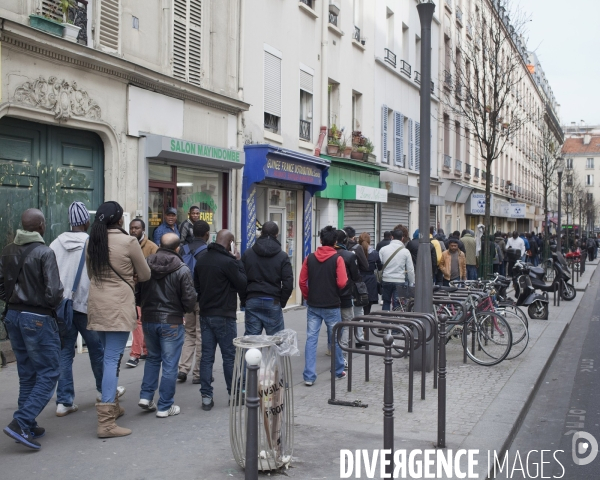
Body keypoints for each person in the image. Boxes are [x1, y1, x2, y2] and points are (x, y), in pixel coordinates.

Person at [50, 202, 124, 417]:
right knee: (97, 351)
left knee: (64, 352)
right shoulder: (92, 242)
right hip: (86, 305)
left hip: (62, 307)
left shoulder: (55, 243)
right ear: (86, 221)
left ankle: (64, 401)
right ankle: (104, 392)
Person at [87, 201, 151, 438]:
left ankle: (112, 406)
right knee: (112, 358)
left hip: (97, 302)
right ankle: (106, 422)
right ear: (120, 220)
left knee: (107, 357)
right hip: (118, 305)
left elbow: (90, 273)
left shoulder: (92, 240)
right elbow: (145, 274)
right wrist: (130, 275)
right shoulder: (129, 241)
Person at [0, 209, 63, 450]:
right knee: (49, 373)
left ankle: (28, 423)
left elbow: (0, 286)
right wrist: (44, 305)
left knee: (27, 373)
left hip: (13, 316)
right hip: (37, 318)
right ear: (40, 226)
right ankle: (22, 422)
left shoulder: (7, 250)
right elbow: (55, 293)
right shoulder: (44, 252)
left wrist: (14, 301)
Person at [137, 233, 196, 418]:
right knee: (170, 364)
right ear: (177, 248)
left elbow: (137, 291)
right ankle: (165, 405)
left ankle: (146, 396)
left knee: (153, 358)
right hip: (171, 320)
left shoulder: (146, 262)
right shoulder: (182, 268)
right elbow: (189, 299)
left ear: (160, 245)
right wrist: (185, 310)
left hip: (149, 318)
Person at [194, 230, 246, 411]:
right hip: (224, 314)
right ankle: (234, 393)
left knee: (206, 357)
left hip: (206, 314)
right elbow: (243, 284)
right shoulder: (229, 262)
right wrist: (238, 261)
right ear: (231, 243)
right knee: (229, 357)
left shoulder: (202, 260)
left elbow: (197, 287)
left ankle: (206, 397)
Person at [299, 226, 348, 386]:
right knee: (335, 338)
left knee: (311, 339)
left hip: (313, 304)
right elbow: (342, 282)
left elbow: (302, 281)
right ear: (335, 242)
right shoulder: (337, 259)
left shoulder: (310, 258)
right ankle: (338, 370)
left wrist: (308, 295)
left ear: (320, 240)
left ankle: (309, 376)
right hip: (332, 304)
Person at [240, 221, 293, 336]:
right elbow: (288, 283)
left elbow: (241, 279)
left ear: (261, 233)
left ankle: (251, 354)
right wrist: (281, 302)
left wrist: (244, 299)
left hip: (252, 299)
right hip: (272, 300)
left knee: (252, 341)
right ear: (276, 235)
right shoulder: (282, 256)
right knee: (276, 342)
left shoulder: (248, 254)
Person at [177, 220, 210, 383]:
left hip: (186, 296)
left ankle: (183, 368)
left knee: (189, 332)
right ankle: (198, 373)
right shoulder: (207, 251)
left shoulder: (183, 249)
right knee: (200, 335)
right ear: (207, 235)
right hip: (202, 297)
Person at [126, 218, 159, 368]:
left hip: (146, 290)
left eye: (136, 228)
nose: (133, 231)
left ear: (143, 230)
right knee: (138, 321)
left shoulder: (152, 247)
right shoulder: (125, 245)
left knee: (140, 321)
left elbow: (157, 269)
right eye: (131, 228)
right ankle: (140, 351)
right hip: (130, 289)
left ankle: (136, 354)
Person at [333, 230, 361, 365]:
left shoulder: (328, 254)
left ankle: (332, 349)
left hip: (330, 295)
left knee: (333, 325)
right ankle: (343, 353)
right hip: (345, 295)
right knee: (348, 322)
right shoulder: (349, 256)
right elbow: (356, 277)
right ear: (345, 241)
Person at [379, 227, 415, 311]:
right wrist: (411, 283)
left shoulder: (383, 250)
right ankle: (397, 322)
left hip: (386, 279)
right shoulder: (406, 251)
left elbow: (380, 265)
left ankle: (385, 322)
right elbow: (410, 269)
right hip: (400, 281)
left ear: (392, 237)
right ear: (402, 238)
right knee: (398, 303)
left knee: (386, 302)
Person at [357, 232, 381, 315]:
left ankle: (358, 323)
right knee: (368, 304)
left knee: (358, 303)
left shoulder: (355, 252)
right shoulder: (374, 253)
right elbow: (380, 267)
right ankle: (366, 325)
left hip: (359, 279)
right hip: (371, 279)